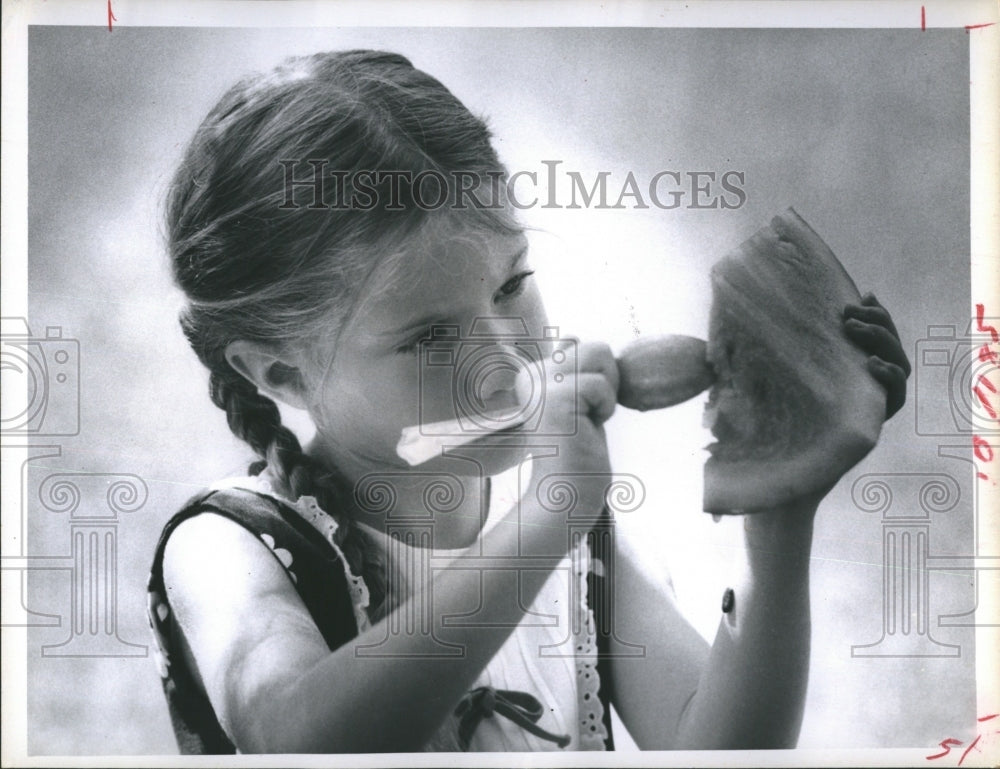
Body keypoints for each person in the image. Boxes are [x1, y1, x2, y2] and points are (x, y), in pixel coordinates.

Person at [146, 49, 911, 754]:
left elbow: (716, 748)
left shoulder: (572, 535)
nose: (506, 357)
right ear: (281, 375)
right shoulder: (228, 546)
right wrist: (546, 518)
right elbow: (300, 738)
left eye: (512, 286)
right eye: (430, 338)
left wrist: (778, 509)